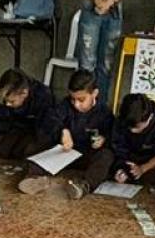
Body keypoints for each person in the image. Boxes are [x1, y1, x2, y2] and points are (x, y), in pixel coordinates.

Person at [19, 68, 114, 199]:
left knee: (106, 156)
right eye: (73, 99)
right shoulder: (65, 104)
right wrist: (63, 130)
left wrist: (104, 139)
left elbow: (113, 134)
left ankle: (83, 186)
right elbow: (51, 119)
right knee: (37, 144)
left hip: (86, 155)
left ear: (95, 94)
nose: (76, 104)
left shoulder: (104, 112)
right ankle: (33, 178)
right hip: (64, 152)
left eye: (81, 100)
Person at [0, 68, 55, 160]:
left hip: (38, 130)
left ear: (24, 93)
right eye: (6, 101)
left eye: (12, 101)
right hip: (18, 128)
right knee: (2, 150)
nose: (8, 104)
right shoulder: (7, 103)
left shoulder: (42, 95)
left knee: (29, 152)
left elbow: (46, 128)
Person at [110, 94, 155, 186]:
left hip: (152, 160)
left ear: (150, 117)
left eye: (138, 127)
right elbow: (119, 148)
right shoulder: (122, 121)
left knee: (147, 184)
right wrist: (122, 168)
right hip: (130, 158)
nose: (133, 131)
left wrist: (142, 168)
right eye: (130, 127)